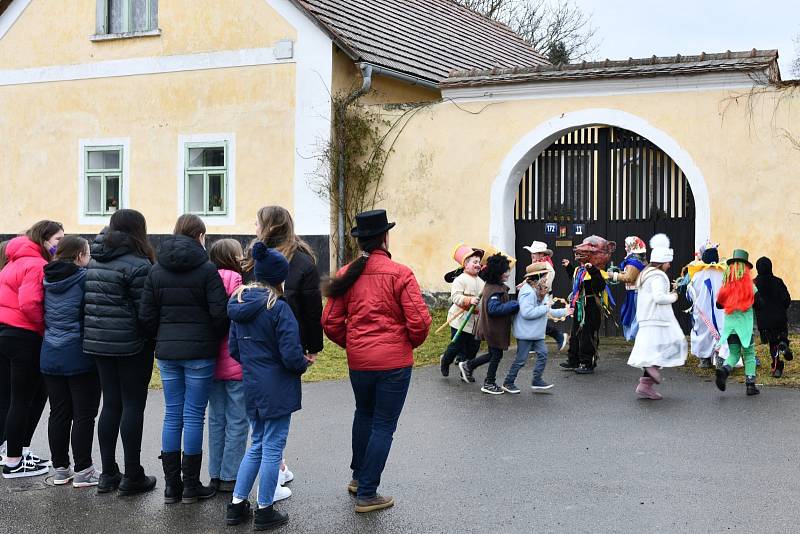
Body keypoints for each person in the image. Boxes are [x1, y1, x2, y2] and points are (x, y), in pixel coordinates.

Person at [322, 209, 431, 513]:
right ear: (385, 237)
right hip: (394, 363)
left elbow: (329, 321)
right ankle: (367, 493)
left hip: (360, 362)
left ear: (360, 241)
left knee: (364, 414)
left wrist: (354, 344)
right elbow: (420, 322)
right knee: (383, 424)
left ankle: (359, 479)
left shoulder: (346, 273)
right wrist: (407, 344)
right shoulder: (400, 273)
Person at [139, 214, 229, 505]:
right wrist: (211, 337)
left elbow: (146, 315)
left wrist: (162, 337)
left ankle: (171, 487)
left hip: (167, 353)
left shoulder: (157, 269)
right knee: (193, 415)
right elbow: (220, 313)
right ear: (200, 236)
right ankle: (191, 486)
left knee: (172, 414)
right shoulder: (206, 269)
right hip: (200, 353)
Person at [225, 243, 310, 530]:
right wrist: (303, 363)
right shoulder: (278, 307)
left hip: (252, 384)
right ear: (279, 279)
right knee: (273, 447)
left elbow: (234, 349)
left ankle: (237, 505)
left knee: (257, 443)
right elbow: (290, 355)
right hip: (277, 387)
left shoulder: (239, 304)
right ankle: (264, 509)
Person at [83, 209, 157, 495]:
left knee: (110, 404)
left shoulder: (95, 260)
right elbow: (146, 311)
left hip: (98, 343)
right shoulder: (139, 264)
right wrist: (152, 337)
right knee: (132, 405)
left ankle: (108, 473)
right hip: (131, 345)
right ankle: (132, 474)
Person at [0, 221, 63, 478]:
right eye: (58, 238)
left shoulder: (13, 262)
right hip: (25, 336)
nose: (60, 243)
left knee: (6, 398)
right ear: (45, 239)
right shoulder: (37, 264)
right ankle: (14, 461)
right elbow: (29, 303)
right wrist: (42, 325)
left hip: (4, 332)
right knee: (25, 399)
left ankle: (10, 450)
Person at [40, 236, 102, 487]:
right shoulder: (84, 279)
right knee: (84, 414)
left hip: (50, 352)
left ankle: (60, 469)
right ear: (79, 256)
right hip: (78, 353)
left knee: (58, 412)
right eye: (87, 254)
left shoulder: (45, 279)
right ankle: (84, 470)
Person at [206, 239, 248, 494]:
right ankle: (230, 475)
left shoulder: (207, 278)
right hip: (235, 361)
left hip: (211, 360)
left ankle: (214, 473)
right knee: (238, 420)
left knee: (216, 419)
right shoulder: (236, 280)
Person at [626, 235, 688, 400]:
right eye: (668, 262)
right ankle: (650, 370)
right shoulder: (658, 276)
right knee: (673, 344)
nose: (669, 265)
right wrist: (674, 296)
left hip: (650, 319)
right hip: (657, 320)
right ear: (661, 262)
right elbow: (659, 297)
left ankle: (645, 384)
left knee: (657, 349)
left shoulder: (647, 274)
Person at [502, 262, 572, 394]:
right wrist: (546, 307)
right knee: (521, 360)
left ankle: (537, 380)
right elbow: (527, 313)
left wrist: (565, 311)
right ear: (538, 276)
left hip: (536, 333)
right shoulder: (528, 292)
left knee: (543, 354)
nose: (546, 278)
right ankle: (508, 382)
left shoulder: (540, 290)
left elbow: (546, 310)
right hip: (526, 333)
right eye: (545, 275)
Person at [457, 252, 520, 395]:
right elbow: (493, 309)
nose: (508, 274)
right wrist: (513, 304)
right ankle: (489, 383)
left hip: (492, 327)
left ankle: (468, 365)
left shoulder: (493, 286)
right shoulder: (495, 290)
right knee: (496, 355)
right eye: (506, 271)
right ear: (498, 273)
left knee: (493, 354)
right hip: (493, 328)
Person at [561, 235, 616, 374]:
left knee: (587, 335)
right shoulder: (580, 270)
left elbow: (598, 286)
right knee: (575, 334)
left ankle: (587, 363)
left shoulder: (599, 272)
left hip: (591, 306)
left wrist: (592, 270)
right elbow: (575, 281)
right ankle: (573, 360)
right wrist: (569, 267)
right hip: (580, 305)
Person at [714, 250, 760, 396]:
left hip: (730, 328)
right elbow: (761, 303)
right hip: (745, 328)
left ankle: (725, 370)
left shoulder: (726, 287)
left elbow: (719, 305)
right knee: (749, 354)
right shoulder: (750, 287)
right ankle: (750, 385)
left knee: (734, 353)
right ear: (745, 269)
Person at [439, 244, 484, 377]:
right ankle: (445, 361)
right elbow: (455, 297)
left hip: (475, 322)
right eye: (474, 262)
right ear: (465, 264)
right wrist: (469, 300)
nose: (478, 265)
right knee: (456, 346)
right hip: (460, 320)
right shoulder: (460, 279)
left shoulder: (481, 281)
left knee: (473, 348)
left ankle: (465, 369)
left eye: (479, 263)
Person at [686, 243, 728, 369]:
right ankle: (721, 358)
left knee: (703, 333)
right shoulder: (723, 274)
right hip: (721, 310)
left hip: (703, 311)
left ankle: (704, 360)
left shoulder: (698, 275)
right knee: (722, 331)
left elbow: (691, 293)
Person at [523, 241, 568, 350]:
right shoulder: (537, 265)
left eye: (534, 253)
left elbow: (544, 284)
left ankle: (559, 335)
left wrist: (530, 286)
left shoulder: (546, 266)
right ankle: (535, 344)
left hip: (543, 295)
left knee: (540, 318)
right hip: (537, 295)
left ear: (541, 254)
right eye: (532, 253)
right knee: (536, 319)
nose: (532, 256)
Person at [754, 256, 792, 378]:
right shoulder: (778, 281)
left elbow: (752, 302)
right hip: (779, 318)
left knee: (772, 344)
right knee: (781, 336)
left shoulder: (753, 283)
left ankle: (777, 367)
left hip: (764, 321)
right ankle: (783, 342)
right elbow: (786, 300)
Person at [609, 236, 647, 341]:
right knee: (632, 315)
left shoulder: (634, 262)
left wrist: (614, 275)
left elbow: (629, 277)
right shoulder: (635, 260)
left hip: (635, 293)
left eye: (627, 246)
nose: (625, 248)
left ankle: (635, 336)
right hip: (633, 292)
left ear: (632, 246)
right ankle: (634, 336)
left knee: (635, 316)